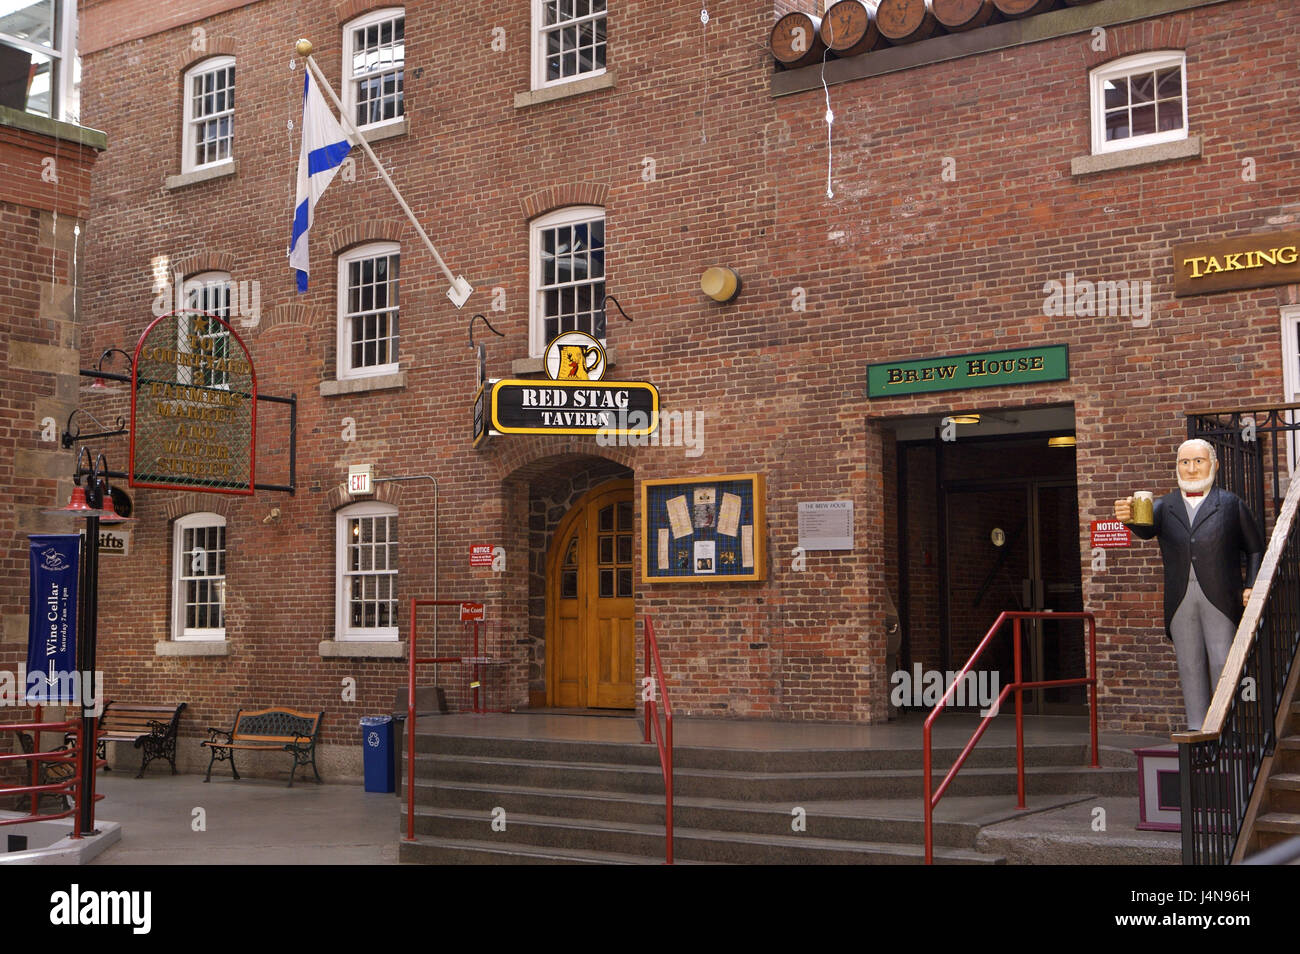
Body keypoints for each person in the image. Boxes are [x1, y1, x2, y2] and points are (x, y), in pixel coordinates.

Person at [1114, 439, 1264, 730]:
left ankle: (1228, 727)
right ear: (1177, 467)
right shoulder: (1164, 505)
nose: (1192, 469)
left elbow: (1255, 548)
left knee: (1223, 661)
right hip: (1181, 596)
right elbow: (1146, 530)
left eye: (1198, 461)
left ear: (1214, 465)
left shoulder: (1230, 504)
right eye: (1185, 462)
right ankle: (1197, 727)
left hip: (1220, 595)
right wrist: (1129, 519)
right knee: (1189, 663)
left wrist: (1251, 585)